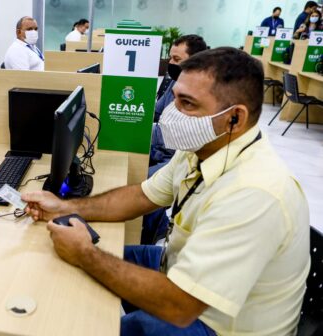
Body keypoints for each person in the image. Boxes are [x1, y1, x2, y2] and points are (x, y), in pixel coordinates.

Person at [23, 47, 310, 336]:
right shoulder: (204, 147)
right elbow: (142, 196)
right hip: (176, 267)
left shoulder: (255, 192)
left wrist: (85, 253)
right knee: (85, 261)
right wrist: (66, 208)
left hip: (217, 326)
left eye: (187, 103)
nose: (173, 113)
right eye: (175, 98)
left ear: (234, 118)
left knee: (106, 325)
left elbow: (180, 307)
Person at [142, 35, 207, 245]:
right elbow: (157, 113)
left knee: (142, 180)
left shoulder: (203, 93)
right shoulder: (176, 83)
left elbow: (174, 133)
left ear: (195, 61)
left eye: (177, 59)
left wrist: (148, 132)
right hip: (159, 147)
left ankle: (147, 236)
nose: (171, 63)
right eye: (170, 58)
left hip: (176, 155)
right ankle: (157, 226)